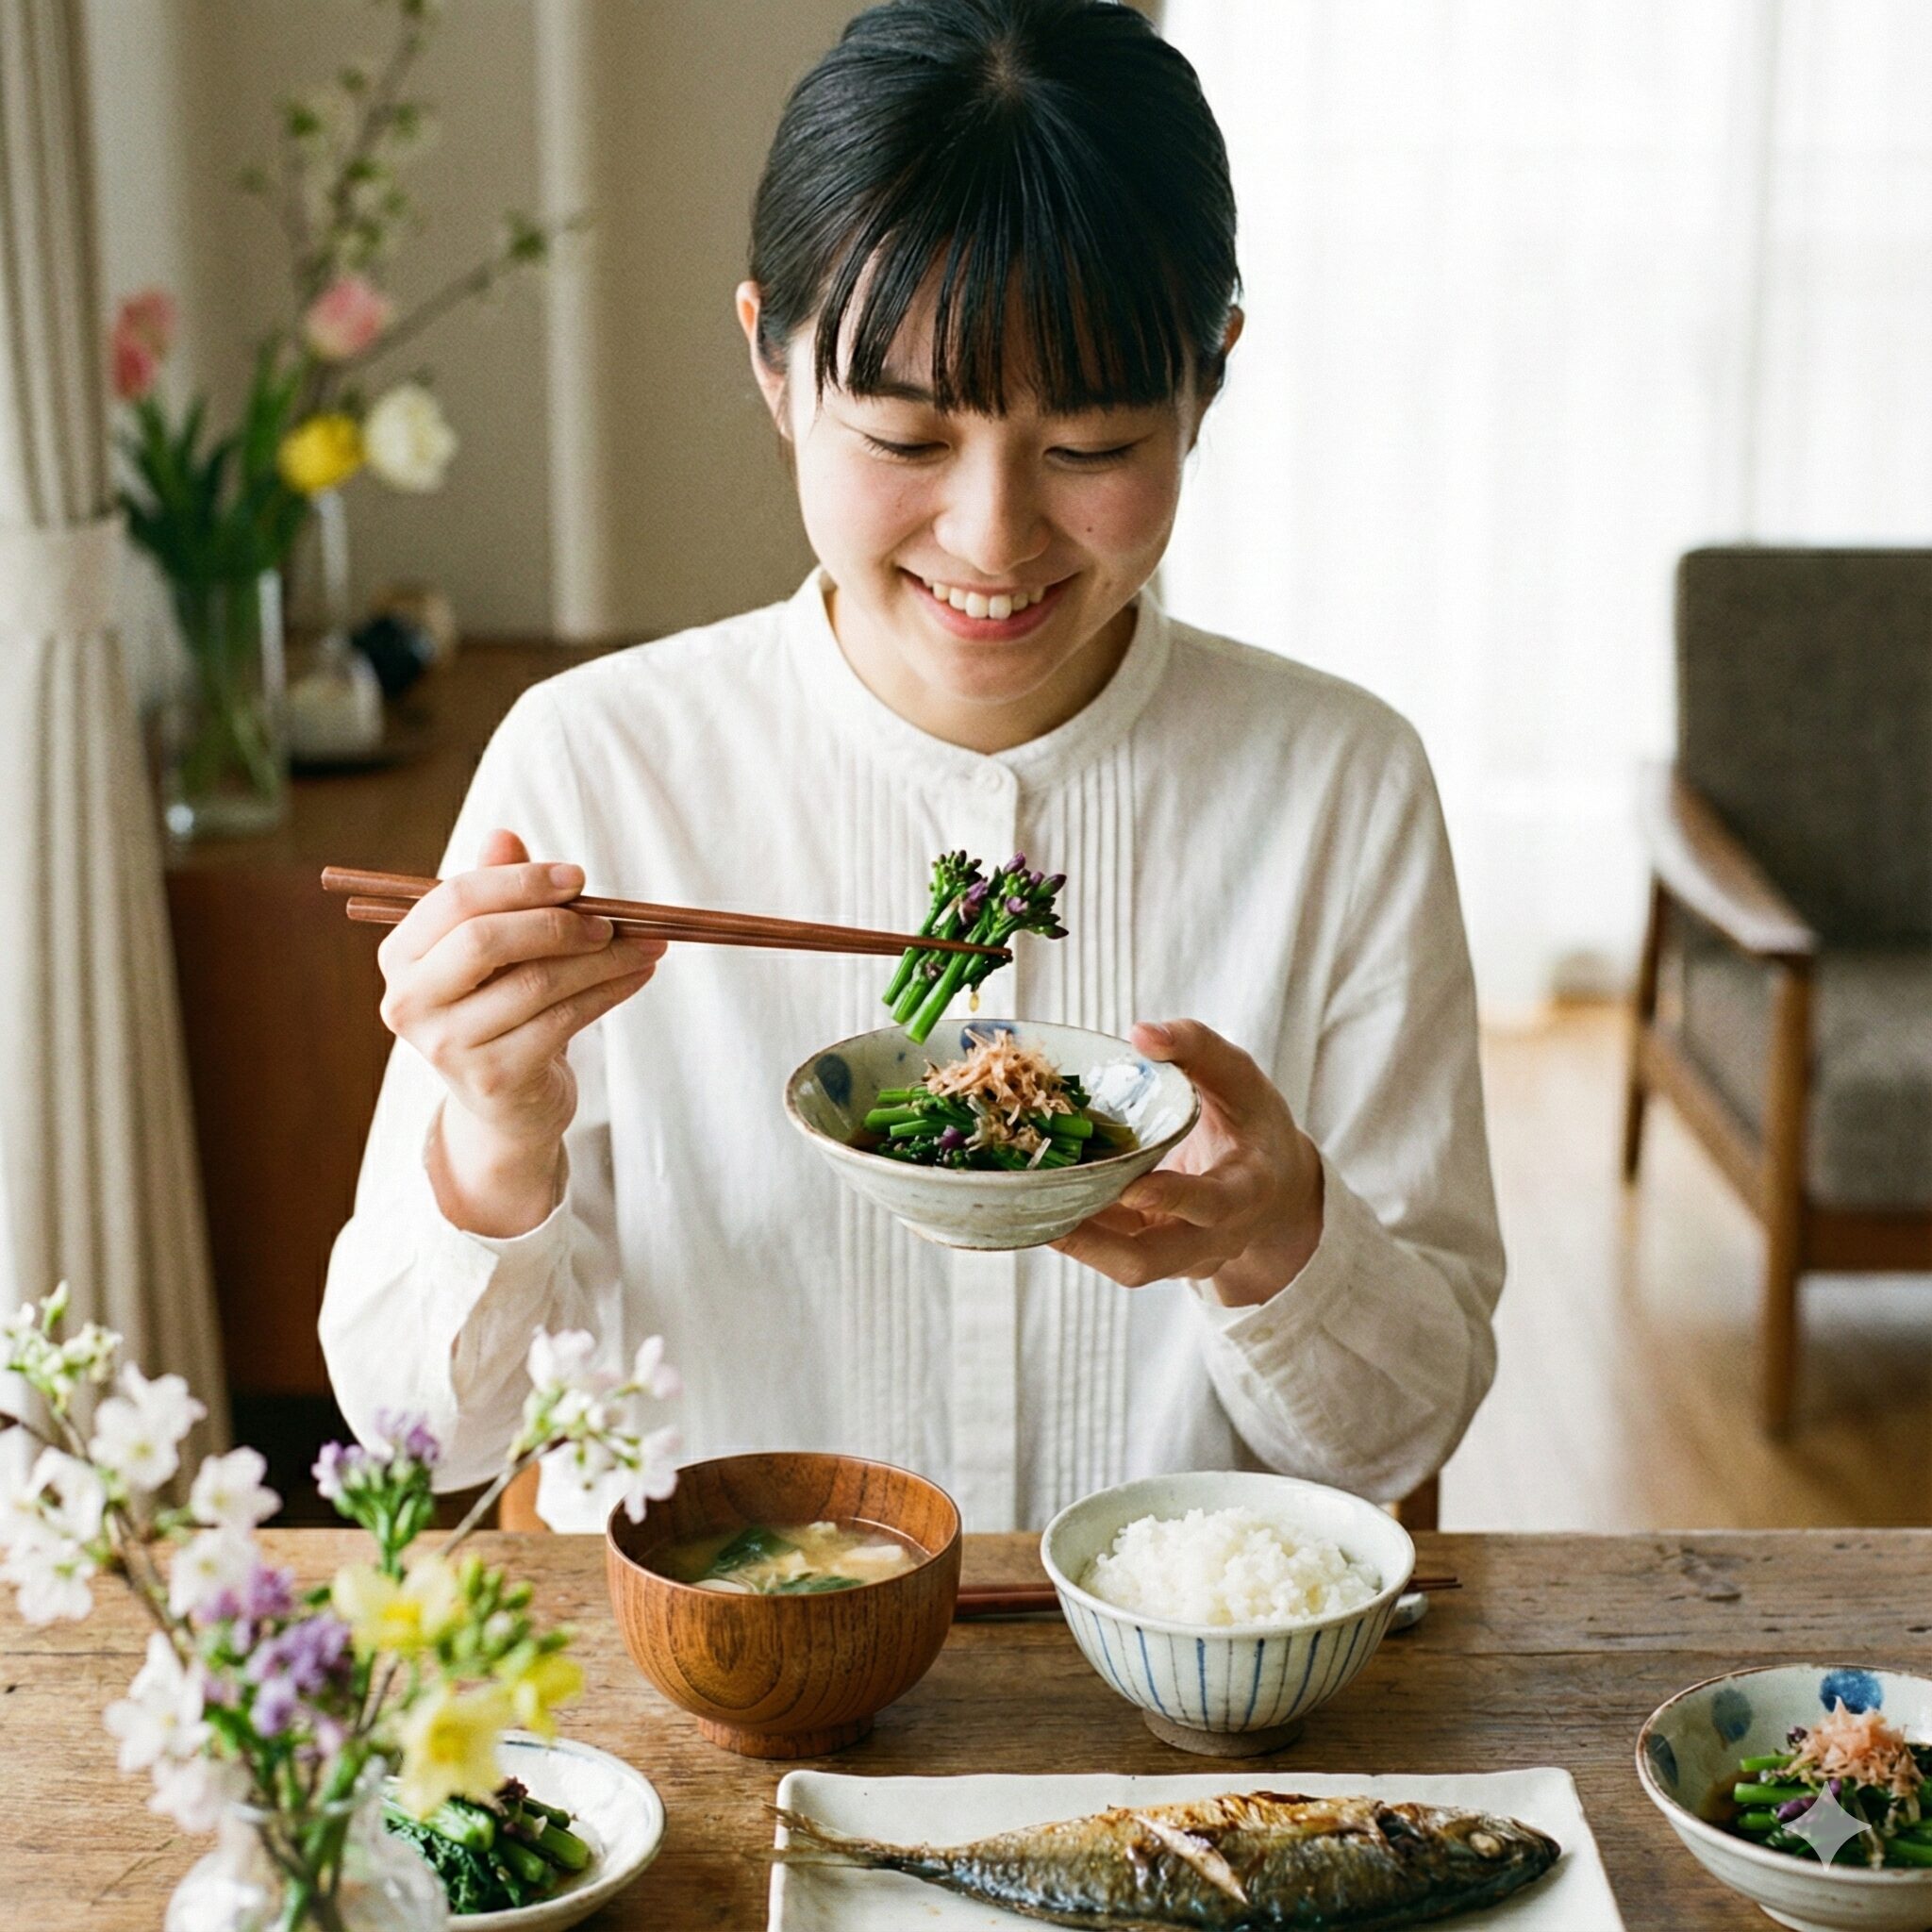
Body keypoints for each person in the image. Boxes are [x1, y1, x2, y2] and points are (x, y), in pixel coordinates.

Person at [321, 0, 1505, 1533]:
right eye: (901, 437)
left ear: (1207, 378)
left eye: (1087, 449)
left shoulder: (1341, 787)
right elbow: (421, 1438)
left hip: (1185, 1732)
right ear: (772, 363)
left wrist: (1281, 1234)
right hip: (731, 1699)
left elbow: (1397, 1441)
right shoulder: (597, 767)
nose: (993, 540)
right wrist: (495, 1138)